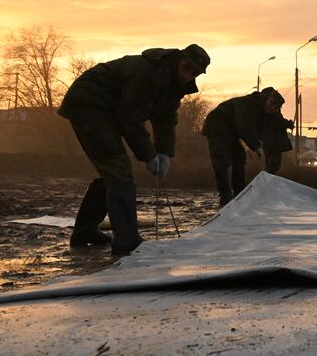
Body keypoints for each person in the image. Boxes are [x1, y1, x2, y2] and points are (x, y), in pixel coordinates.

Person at [59, 45, 210, 255]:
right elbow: (130, 117)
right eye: (187, 67)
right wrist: (148, 155)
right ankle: (127, 241)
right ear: (179, 59)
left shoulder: (174, 85)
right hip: (89, 104)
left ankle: (85, 231)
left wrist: (165, 153)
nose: (188, 75)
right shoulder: (150, 72)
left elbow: (166, 120)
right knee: (118, 171)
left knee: (112, 172)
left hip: (109, 111)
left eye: (195, 73)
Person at [201, 87, 286, 206]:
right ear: (265, 98)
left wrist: (259, 143)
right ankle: (225, 197)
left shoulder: (264, 113)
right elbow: (244, 126)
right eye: (271, 103)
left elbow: (260, 130)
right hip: (217, 125)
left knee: (240, 157)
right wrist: (256, 146)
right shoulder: (247, 103)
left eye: (276, 106)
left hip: (232, 131)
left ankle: (239, 195)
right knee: (221, 160)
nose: (272, 107)